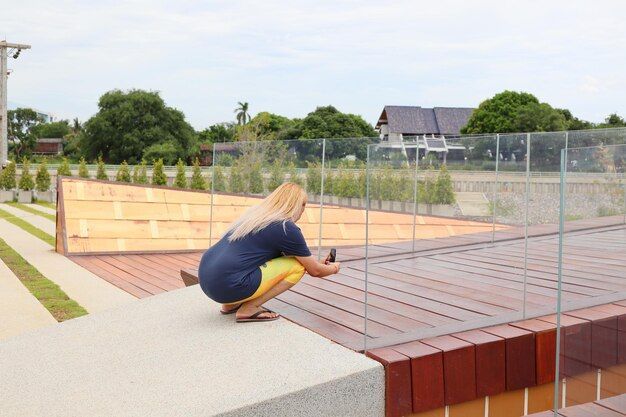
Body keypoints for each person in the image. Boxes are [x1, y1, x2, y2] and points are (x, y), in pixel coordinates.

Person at [198, 182, 341, 323]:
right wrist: (334, 268)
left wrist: (316, 263)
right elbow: (315, 271)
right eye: (303, 204)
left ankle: (231, 304)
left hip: (207, 280)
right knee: (297, 267)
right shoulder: (286, 227)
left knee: (289, 262)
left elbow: (280, 257)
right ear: (295, 205)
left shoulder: (255, 217)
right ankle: (249, 308)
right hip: (229, 284)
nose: (304, 210)